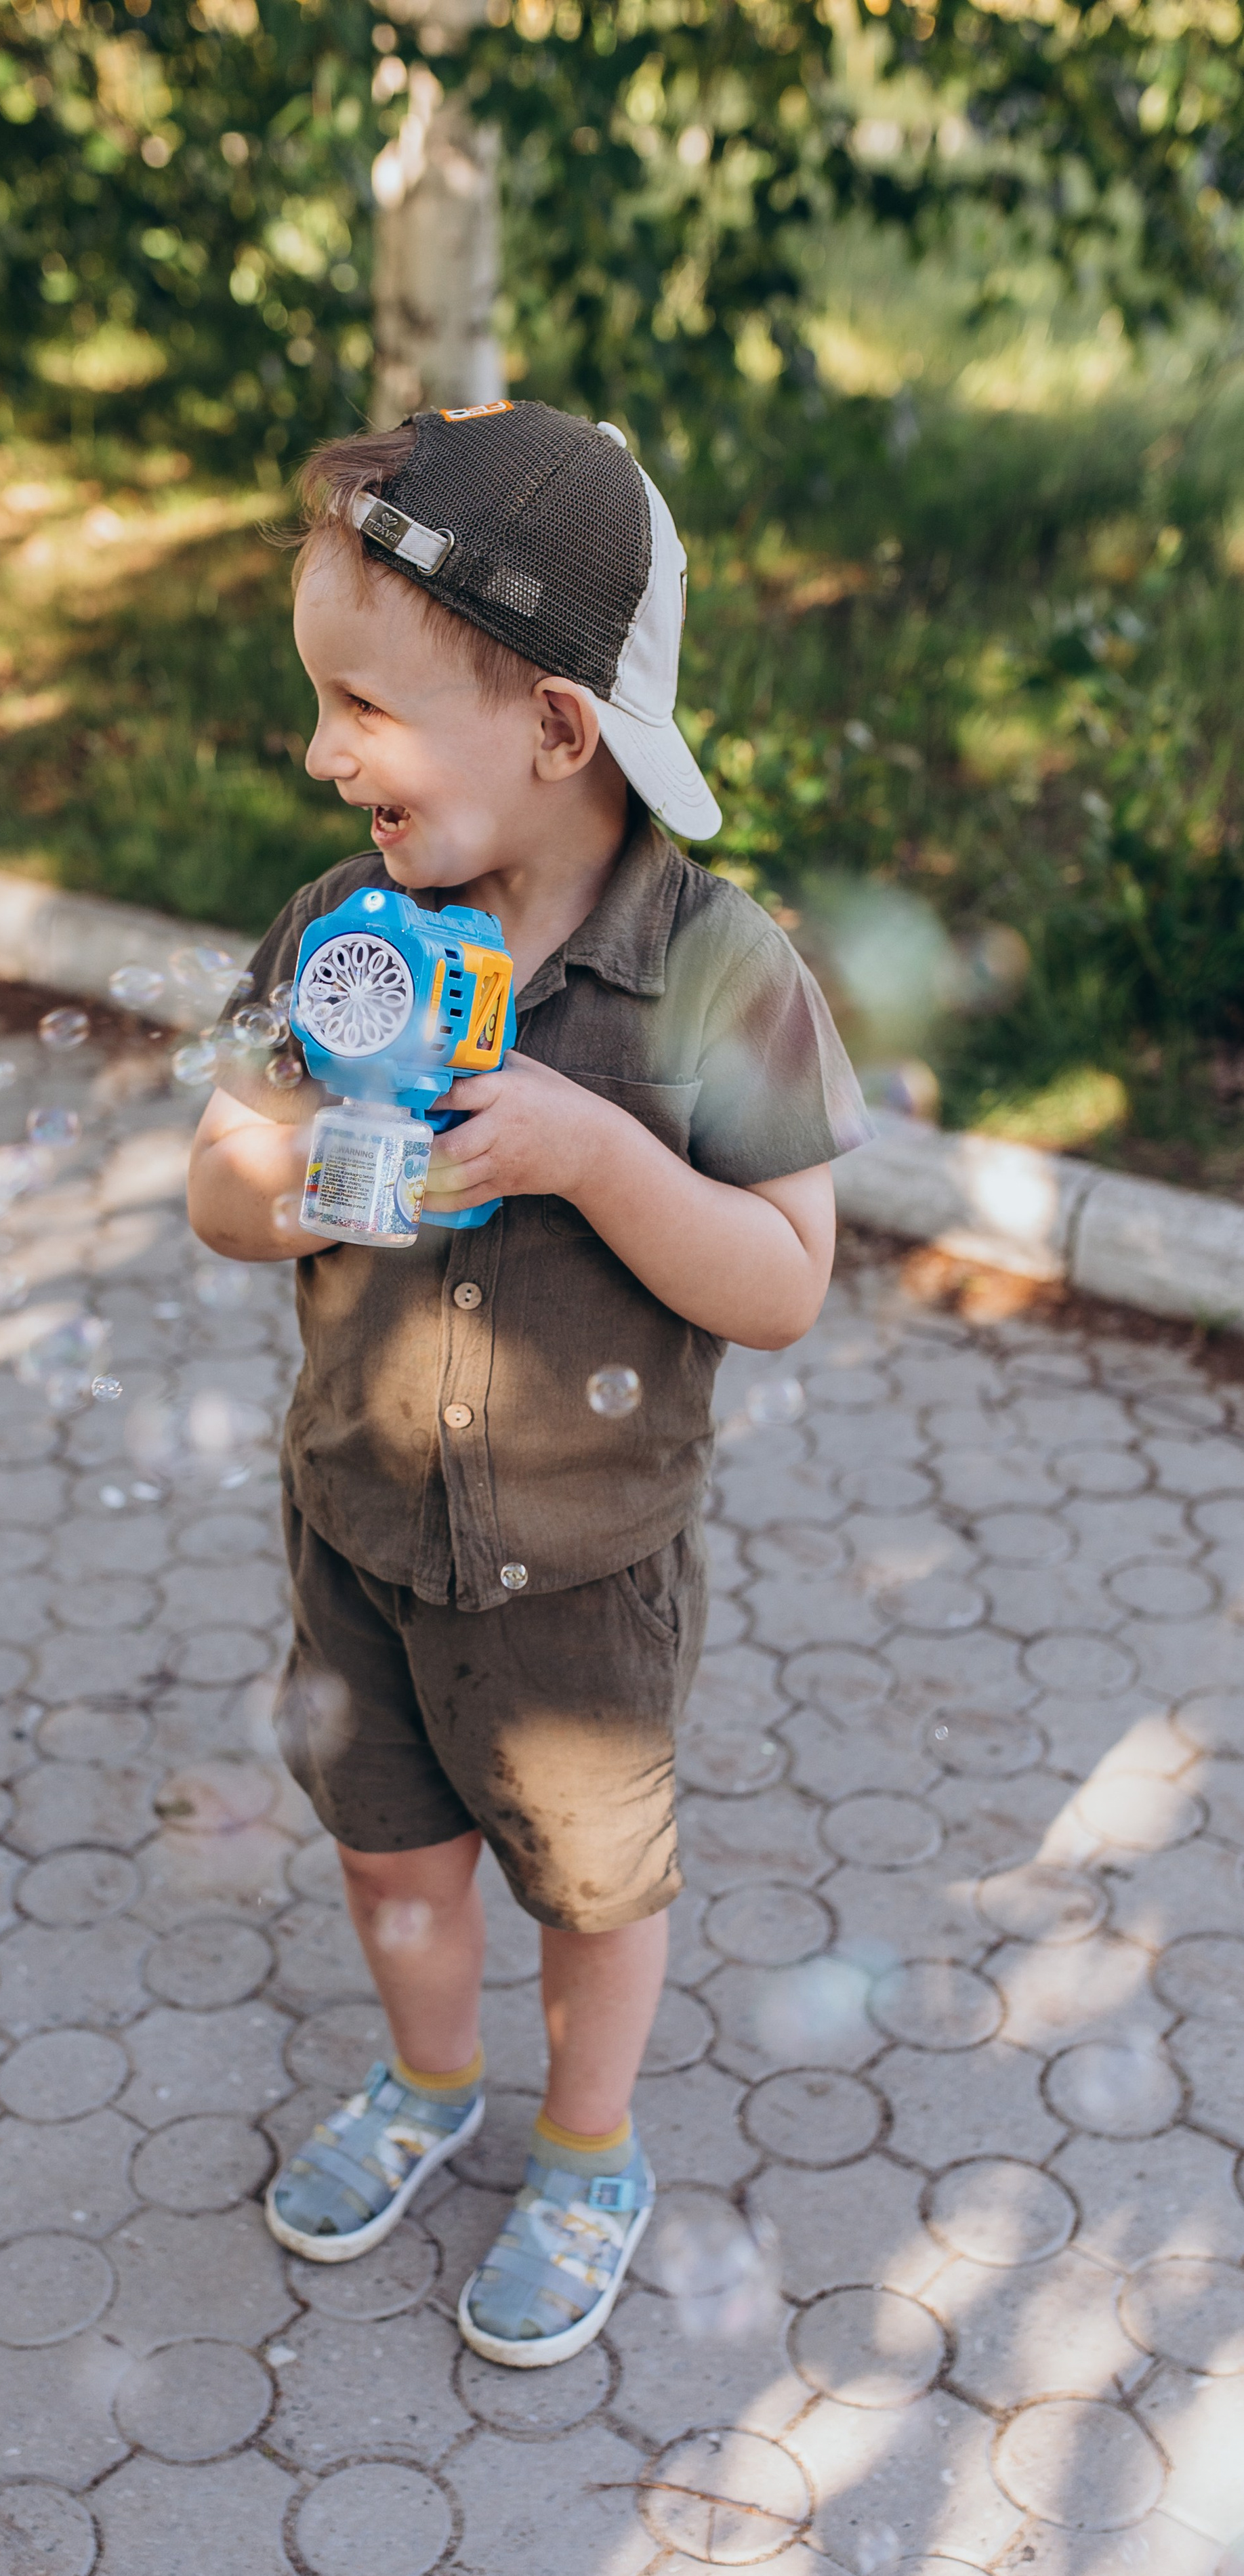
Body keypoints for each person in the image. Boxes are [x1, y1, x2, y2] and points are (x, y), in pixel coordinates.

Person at [186, 400, 870, 2368]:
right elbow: (219, 1188)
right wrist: (326, 1156)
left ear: (559, 731)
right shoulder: (343, 935)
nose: (324, 753)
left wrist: (598, 1155)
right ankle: (425, 2089)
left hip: (586, 1573)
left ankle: (586, 2152)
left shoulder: (723, 976)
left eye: (363, 708)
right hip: (361, 1530)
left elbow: (787, 1283)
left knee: (588, 1885)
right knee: (386, 1844)